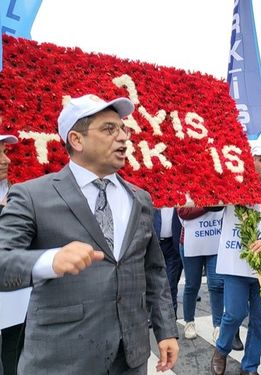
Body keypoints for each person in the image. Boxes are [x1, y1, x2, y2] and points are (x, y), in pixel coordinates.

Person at [0, 94, 179, 374]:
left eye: (123, 129)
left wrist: (166, 329)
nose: (122, 138)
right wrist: (49, 261)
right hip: (62, 360)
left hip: (131, 358)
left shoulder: (140, 199)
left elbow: (153, 270)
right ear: (77, 140)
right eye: (109, 129)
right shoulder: (31, 195)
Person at [211, 142, 261, 375]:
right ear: (250, 160)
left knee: (260, 320)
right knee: (234, 314)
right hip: (235, 261)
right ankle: (221, 349)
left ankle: (250, 366)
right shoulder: (232, 183)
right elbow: (213, 206)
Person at [177, 207, 225, 343]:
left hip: (214, 240)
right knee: (192, 285)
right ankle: (189, 321)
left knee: (217, 285)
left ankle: (218, 325)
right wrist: (208, 206)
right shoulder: (184, 186)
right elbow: (183, 212)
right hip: (191, 242)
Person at [0, 134, 24, 375]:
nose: (5, 159)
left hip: (17, 296)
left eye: (5, 151)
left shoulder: (19, 190)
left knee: (13, 358)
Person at [153, 207, 183, 315]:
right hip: (154, 244)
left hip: (172, 245)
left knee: (170, 284)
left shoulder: (178, 196)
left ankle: (171, 316)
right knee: (153, 283)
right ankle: (154, 314)